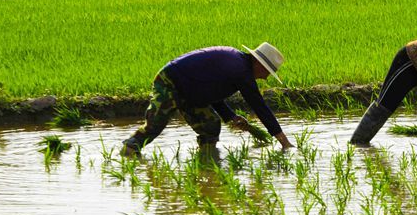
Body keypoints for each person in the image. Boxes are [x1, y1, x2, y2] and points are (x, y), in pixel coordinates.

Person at [121, 43, 294, 156]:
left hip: (191, 90)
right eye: (267, 72)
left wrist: (231, 117)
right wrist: (284, 143)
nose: (265, 78)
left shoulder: (237, 65)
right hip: (171, 81)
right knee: (155, 124)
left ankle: (206, 162)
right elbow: (259, 106)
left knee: (210, 126)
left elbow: (210, 92)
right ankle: (128, 152)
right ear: (259, 64)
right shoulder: (240, 71)